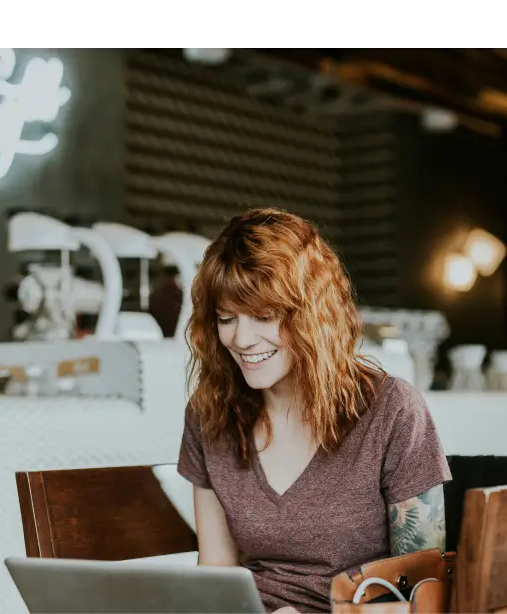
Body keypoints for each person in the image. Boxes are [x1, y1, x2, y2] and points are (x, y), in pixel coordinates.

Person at [177, 208, 451, 613]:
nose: (241, 339)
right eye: (226, 318)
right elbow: (216, 574)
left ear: (312, 316)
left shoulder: (392, 410)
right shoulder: (210, 415)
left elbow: (427, 597)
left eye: (264, 316)